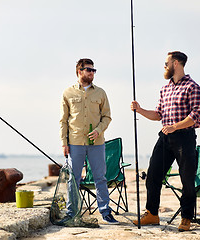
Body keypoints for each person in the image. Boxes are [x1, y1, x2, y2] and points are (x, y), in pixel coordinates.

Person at [131, 51, 200, 231]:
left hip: (184, 138)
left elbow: (195, 116)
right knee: (153, 175)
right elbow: (158, 115)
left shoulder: (193, 88)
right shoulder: (165, 89)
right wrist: (140, 110)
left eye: (167, 62)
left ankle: (186, 217)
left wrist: (175, 126)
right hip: (165, 138)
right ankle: (152, 214)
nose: (164, 66)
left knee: (187, 179)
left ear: (177, 63)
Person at [59, 58, 118, 224]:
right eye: (89, 70)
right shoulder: (68, 93)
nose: (92, 73)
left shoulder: (100, 93)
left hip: (96, 144)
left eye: (93, 70)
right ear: (79, 71)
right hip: (75, 143)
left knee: (100, 178)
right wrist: (64, 142)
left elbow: (107, 116)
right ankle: (71, 212)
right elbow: (63, 120)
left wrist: (99, 130)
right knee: (73, 179)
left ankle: (105, 212)